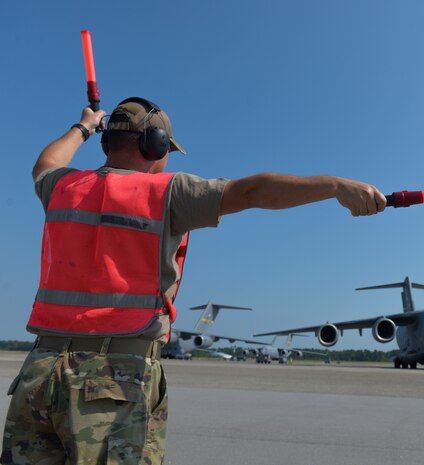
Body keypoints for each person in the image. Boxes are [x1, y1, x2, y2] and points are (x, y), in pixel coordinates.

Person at [1, 97, 386, 465]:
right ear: (155, 145)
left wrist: (83, 126)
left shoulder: (62, 188)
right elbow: (253, 191)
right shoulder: (166, 192)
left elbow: (46, 163)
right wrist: (336, 185)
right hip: (112, 381)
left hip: (38, 373)